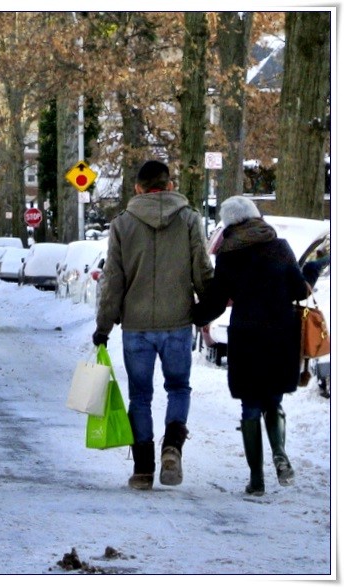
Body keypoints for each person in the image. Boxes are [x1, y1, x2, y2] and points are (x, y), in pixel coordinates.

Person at [93, 160, 214, 490]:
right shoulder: (189, 219)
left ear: (138, 188)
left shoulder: (123, 225)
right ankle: (172, 448)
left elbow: (112, 280)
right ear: (170, 185)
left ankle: (143, 470)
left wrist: (103, 326)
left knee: (140, 397)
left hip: (136, 326)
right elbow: (202, 269)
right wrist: (207, 307)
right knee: (178, 388)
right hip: (177, 322)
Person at [193, 195, 317, 496]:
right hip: (281, 333)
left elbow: (217, 302)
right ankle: (279, 453)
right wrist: (311, 271)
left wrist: (192, 316)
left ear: (230, 223)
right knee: (273, 400)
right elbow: (299, 289)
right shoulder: (280, 247)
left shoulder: (228, 255)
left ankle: (256, 480)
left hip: (247, 335)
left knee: (250, 405)